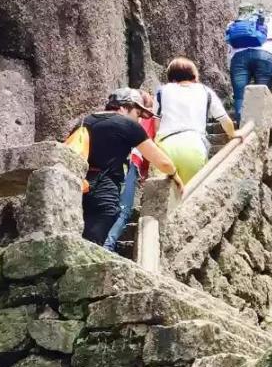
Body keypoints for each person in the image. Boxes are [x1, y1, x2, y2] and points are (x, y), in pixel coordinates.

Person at [71, 89, 180, 246]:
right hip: (104, 190)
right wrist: (175, 174)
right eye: (137, 113)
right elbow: (162, 162)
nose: (139, 119)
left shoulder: (85, 121)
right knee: (93, 240)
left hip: (79, 187)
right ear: (125, 107)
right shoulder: (127, 124)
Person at [155, 57, 234, 185]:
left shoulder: (162, 91)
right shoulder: (205, 91)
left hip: (166, 146)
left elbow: (156, 123)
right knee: (190, 195)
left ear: (171, 77)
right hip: (194, 144)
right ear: (194, 75)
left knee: (164, 198)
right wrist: (233, 135)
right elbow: (225, 120)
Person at [102, 89, 157, 253]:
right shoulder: (145, 121)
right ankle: (108, 245)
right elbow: (148, 148)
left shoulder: (109, 120)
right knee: (124, 210)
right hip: (131, 163)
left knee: (111, 207)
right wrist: (145, 172)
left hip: (109, 165)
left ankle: (104, 242)